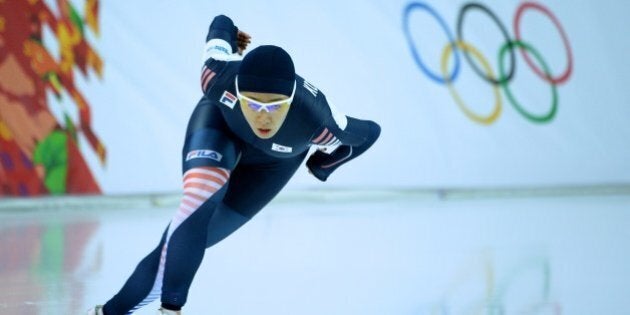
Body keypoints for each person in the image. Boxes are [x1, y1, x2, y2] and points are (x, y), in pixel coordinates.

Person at [88, 14, 380, 315]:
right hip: (220, 129)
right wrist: (236, 37)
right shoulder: (216, 76)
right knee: (195, 208)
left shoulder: (319, 119)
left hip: (273, 165)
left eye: (275, 107)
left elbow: (369, 134)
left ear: (292, 101)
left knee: (187, 244)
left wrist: (323, 165)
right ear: (237, 92)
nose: (263, 117)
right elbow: (221, 23)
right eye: (252, 104)